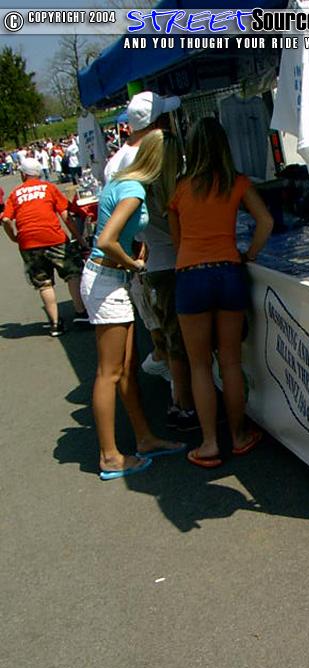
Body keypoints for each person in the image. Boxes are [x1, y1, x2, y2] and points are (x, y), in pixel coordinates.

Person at [167, 116, 273, 468]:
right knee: (230, 360)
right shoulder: (237, 182)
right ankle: (239, 435)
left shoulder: (181, 189)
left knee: (200, 364)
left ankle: (210, 443)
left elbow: (178, 243)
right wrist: (251, 253)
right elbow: (266, 221)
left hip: (191, 276)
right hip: (228, 272)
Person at [80, 129, 184, 480]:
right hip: (107, 280)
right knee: (110, 373)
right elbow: (107, 241)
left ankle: (144, 438)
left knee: (124, 370)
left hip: (108, 280)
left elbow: (111, 234)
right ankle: (109, 456)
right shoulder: (134, 190)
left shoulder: (123, 182)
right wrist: (133, 263)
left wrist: (133, 250)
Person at [138, 133, 199, 432]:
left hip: (158, 268)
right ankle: (184, 406)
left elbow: (138, 235)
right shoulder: (174, 189)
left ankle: (182, 402)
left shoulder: (140, 192)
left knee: (175, 338)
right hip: (174, 267)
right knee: (180, 343)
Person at [1, 157, 88, 335]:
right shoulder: (49, 188)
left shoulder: (16, 193)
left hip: (28, 242)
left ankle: (55, 324)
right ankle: (80, 312)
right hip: (53, 237)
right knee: (72, 272)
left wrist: (14, 237)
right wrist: (80, 239)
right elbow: (66, 216)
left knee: (44, 283)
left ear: (23, 174)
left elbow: (6, 219)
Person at [104, 91, 180, 182]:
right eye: (166, 117)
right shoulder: (154, 161)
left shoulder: (112, 165)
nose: (169, 123)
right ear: (156, 123)